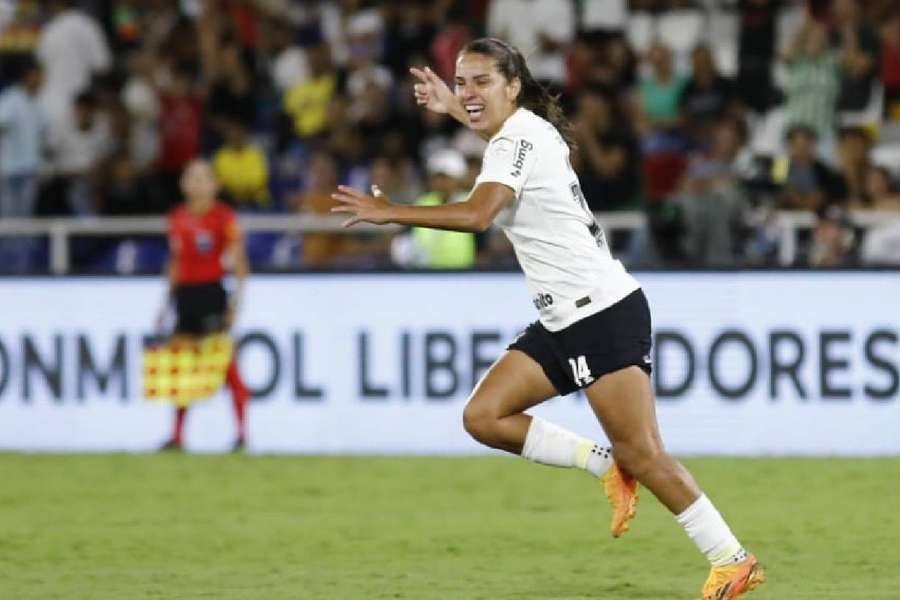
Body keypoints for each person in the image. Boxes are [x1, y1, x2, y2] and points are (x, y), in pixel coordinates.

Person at [331, 38, 765, 600]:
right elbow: (499, 144)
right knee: (485, 415)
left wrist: (393, 212)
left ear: (513, 85)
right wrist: (455, 110)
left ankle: (732, 560)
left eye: (481, 82)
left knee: (646, 452)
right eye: (461, 82)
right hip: (563, 318)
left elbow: (478, 214)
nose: (469, 92)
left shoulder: (517, 137)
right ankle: (604, 464)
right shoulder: (524, 132)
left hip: (600, 313)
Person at [158, 159, 251, 451]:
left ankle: (241, 434)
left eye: (203, 178)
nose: (196, 184)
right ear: (183, 184)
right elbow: (175, 262)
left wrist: (235, 303)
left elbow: (239, 265)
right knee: (182, 367)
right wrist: (165, 304)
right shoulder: (176, 218)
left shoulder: (224, 218)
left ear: (215, 185)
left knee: (224, 366)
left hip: (212, 293)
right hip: (186, 297)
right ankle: (177, 436)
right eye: (191, 177)